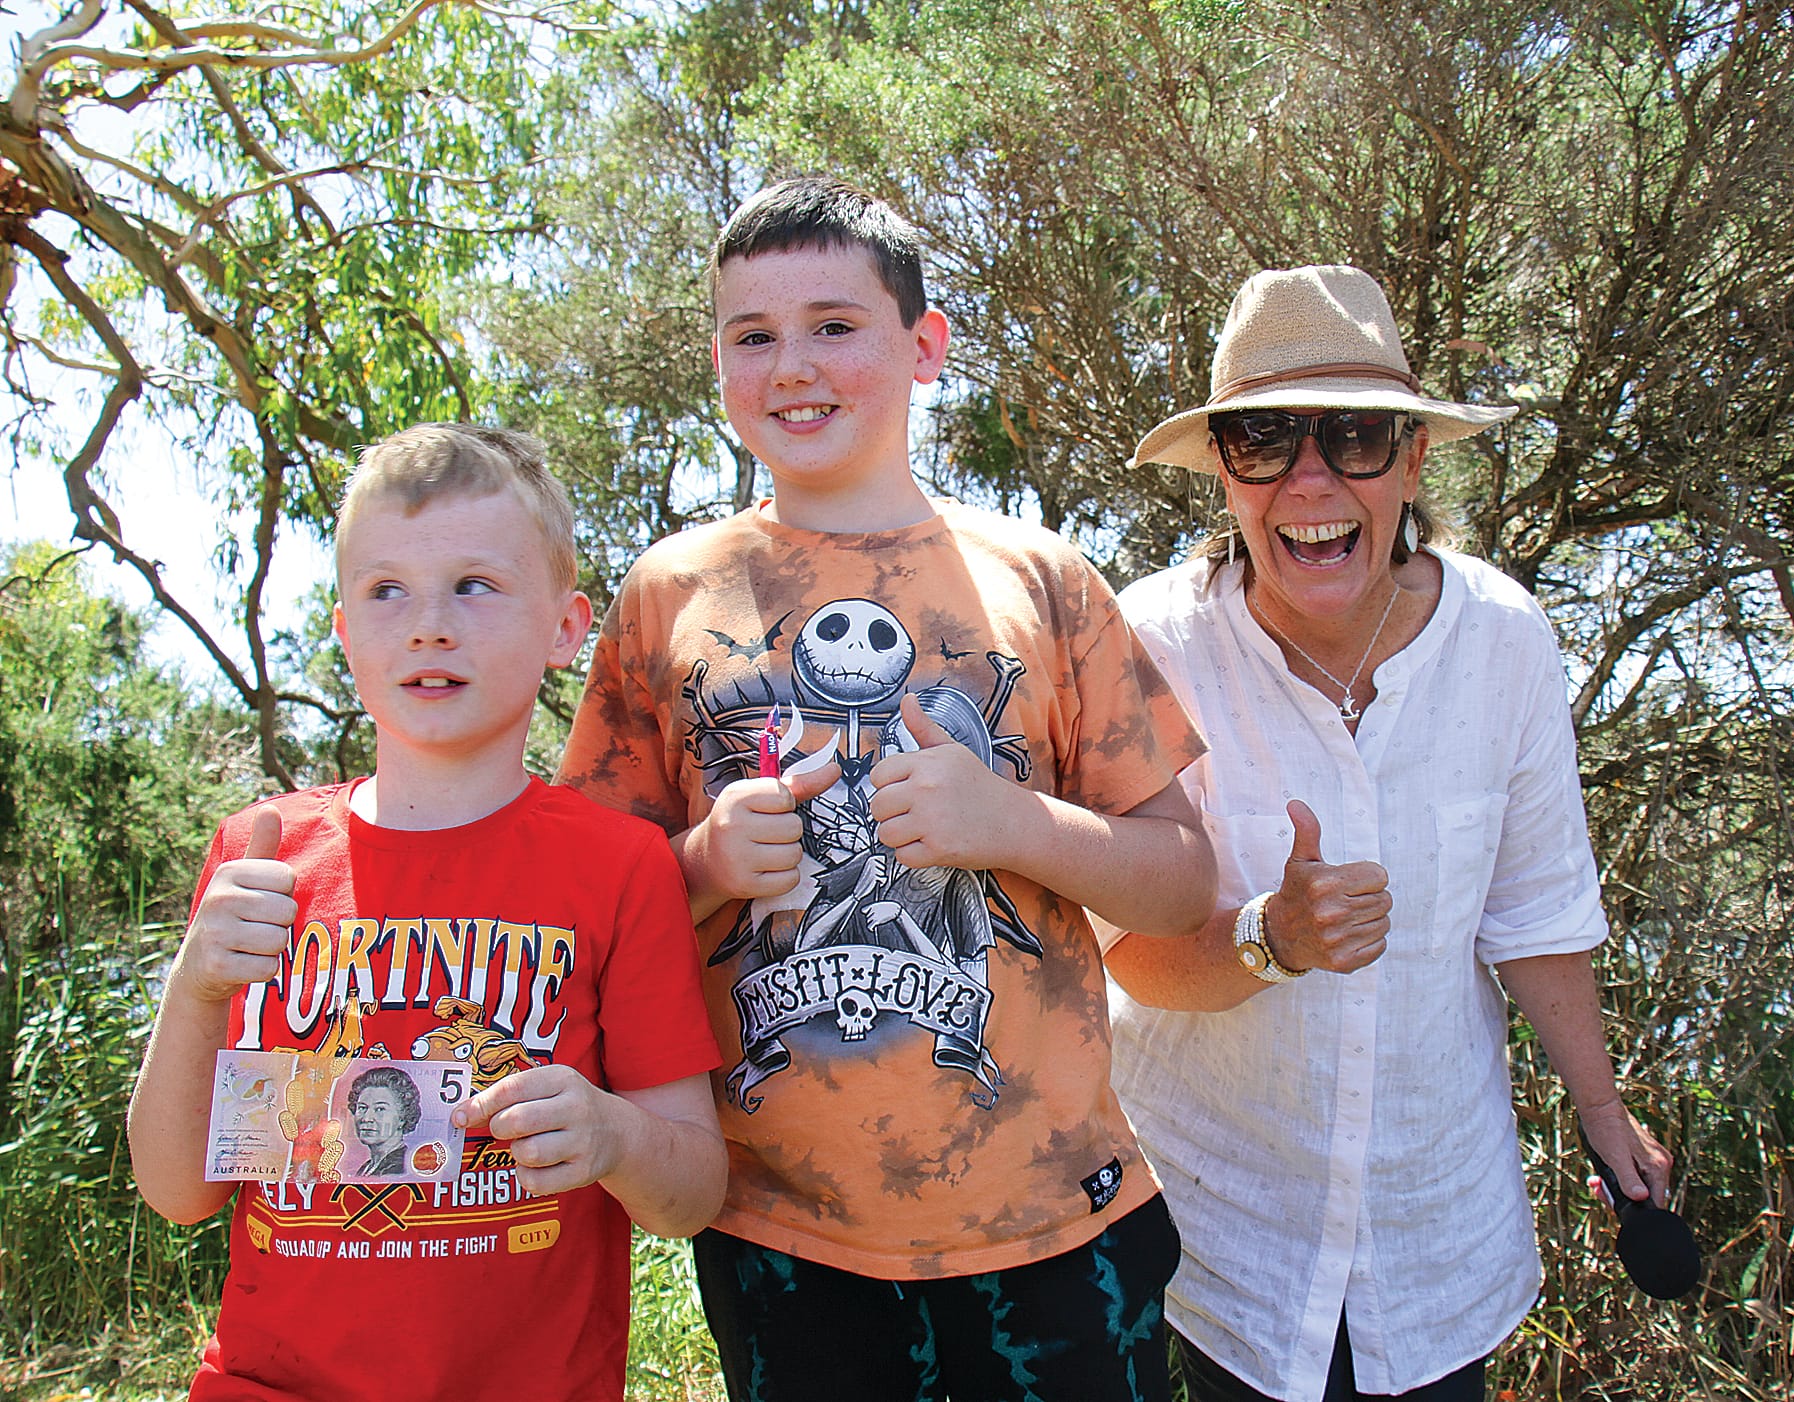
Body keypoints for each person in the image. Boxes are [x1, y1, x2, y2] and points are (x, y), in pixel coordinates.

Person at [558, 177, 1217, 1402]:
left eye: (833, 325)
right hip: (779, 1237)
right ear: (716, 361)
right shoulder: (665, 593)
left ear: (924, 348)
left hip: (1062, 1229)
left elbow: (1183, 881)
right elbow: (578, 914)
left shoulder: (1045, 581)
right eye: (751, 335)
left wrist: (1013, 824)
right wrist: (701, 866)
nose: (791, 364)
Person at [1101, 266, 1675, 1402]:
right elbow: (1118, 955)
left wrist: (1603, 1117)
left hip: (1433, 1244)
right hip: (1207, 1254)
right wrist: (1270, 938)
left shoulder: (1503, 639)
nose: (1309, 479)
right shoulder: (1148, 643)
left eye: (1356, 436)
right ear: (1222, 471)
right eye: (1263, 439)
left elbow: (1536, 912)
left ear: (1412, 461)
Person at [127, 423, 727, 1401]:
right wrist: (195, 990)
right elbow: (174, 1190)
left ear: (565, 629)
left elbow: (691, 1192)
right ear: (343, 631)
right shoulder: (259, 852)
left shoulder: (619, 866)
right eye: (385, 589)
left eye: (474, 585)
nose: (428, 625)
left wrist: (610, 1135)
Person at [344, 1064, 419, 1175]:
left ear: (402, 1117)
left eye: (380, 1109)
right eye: (362, 1108)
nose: (366, 1118)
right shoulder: (366, 1168)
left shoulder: (401, 1168)